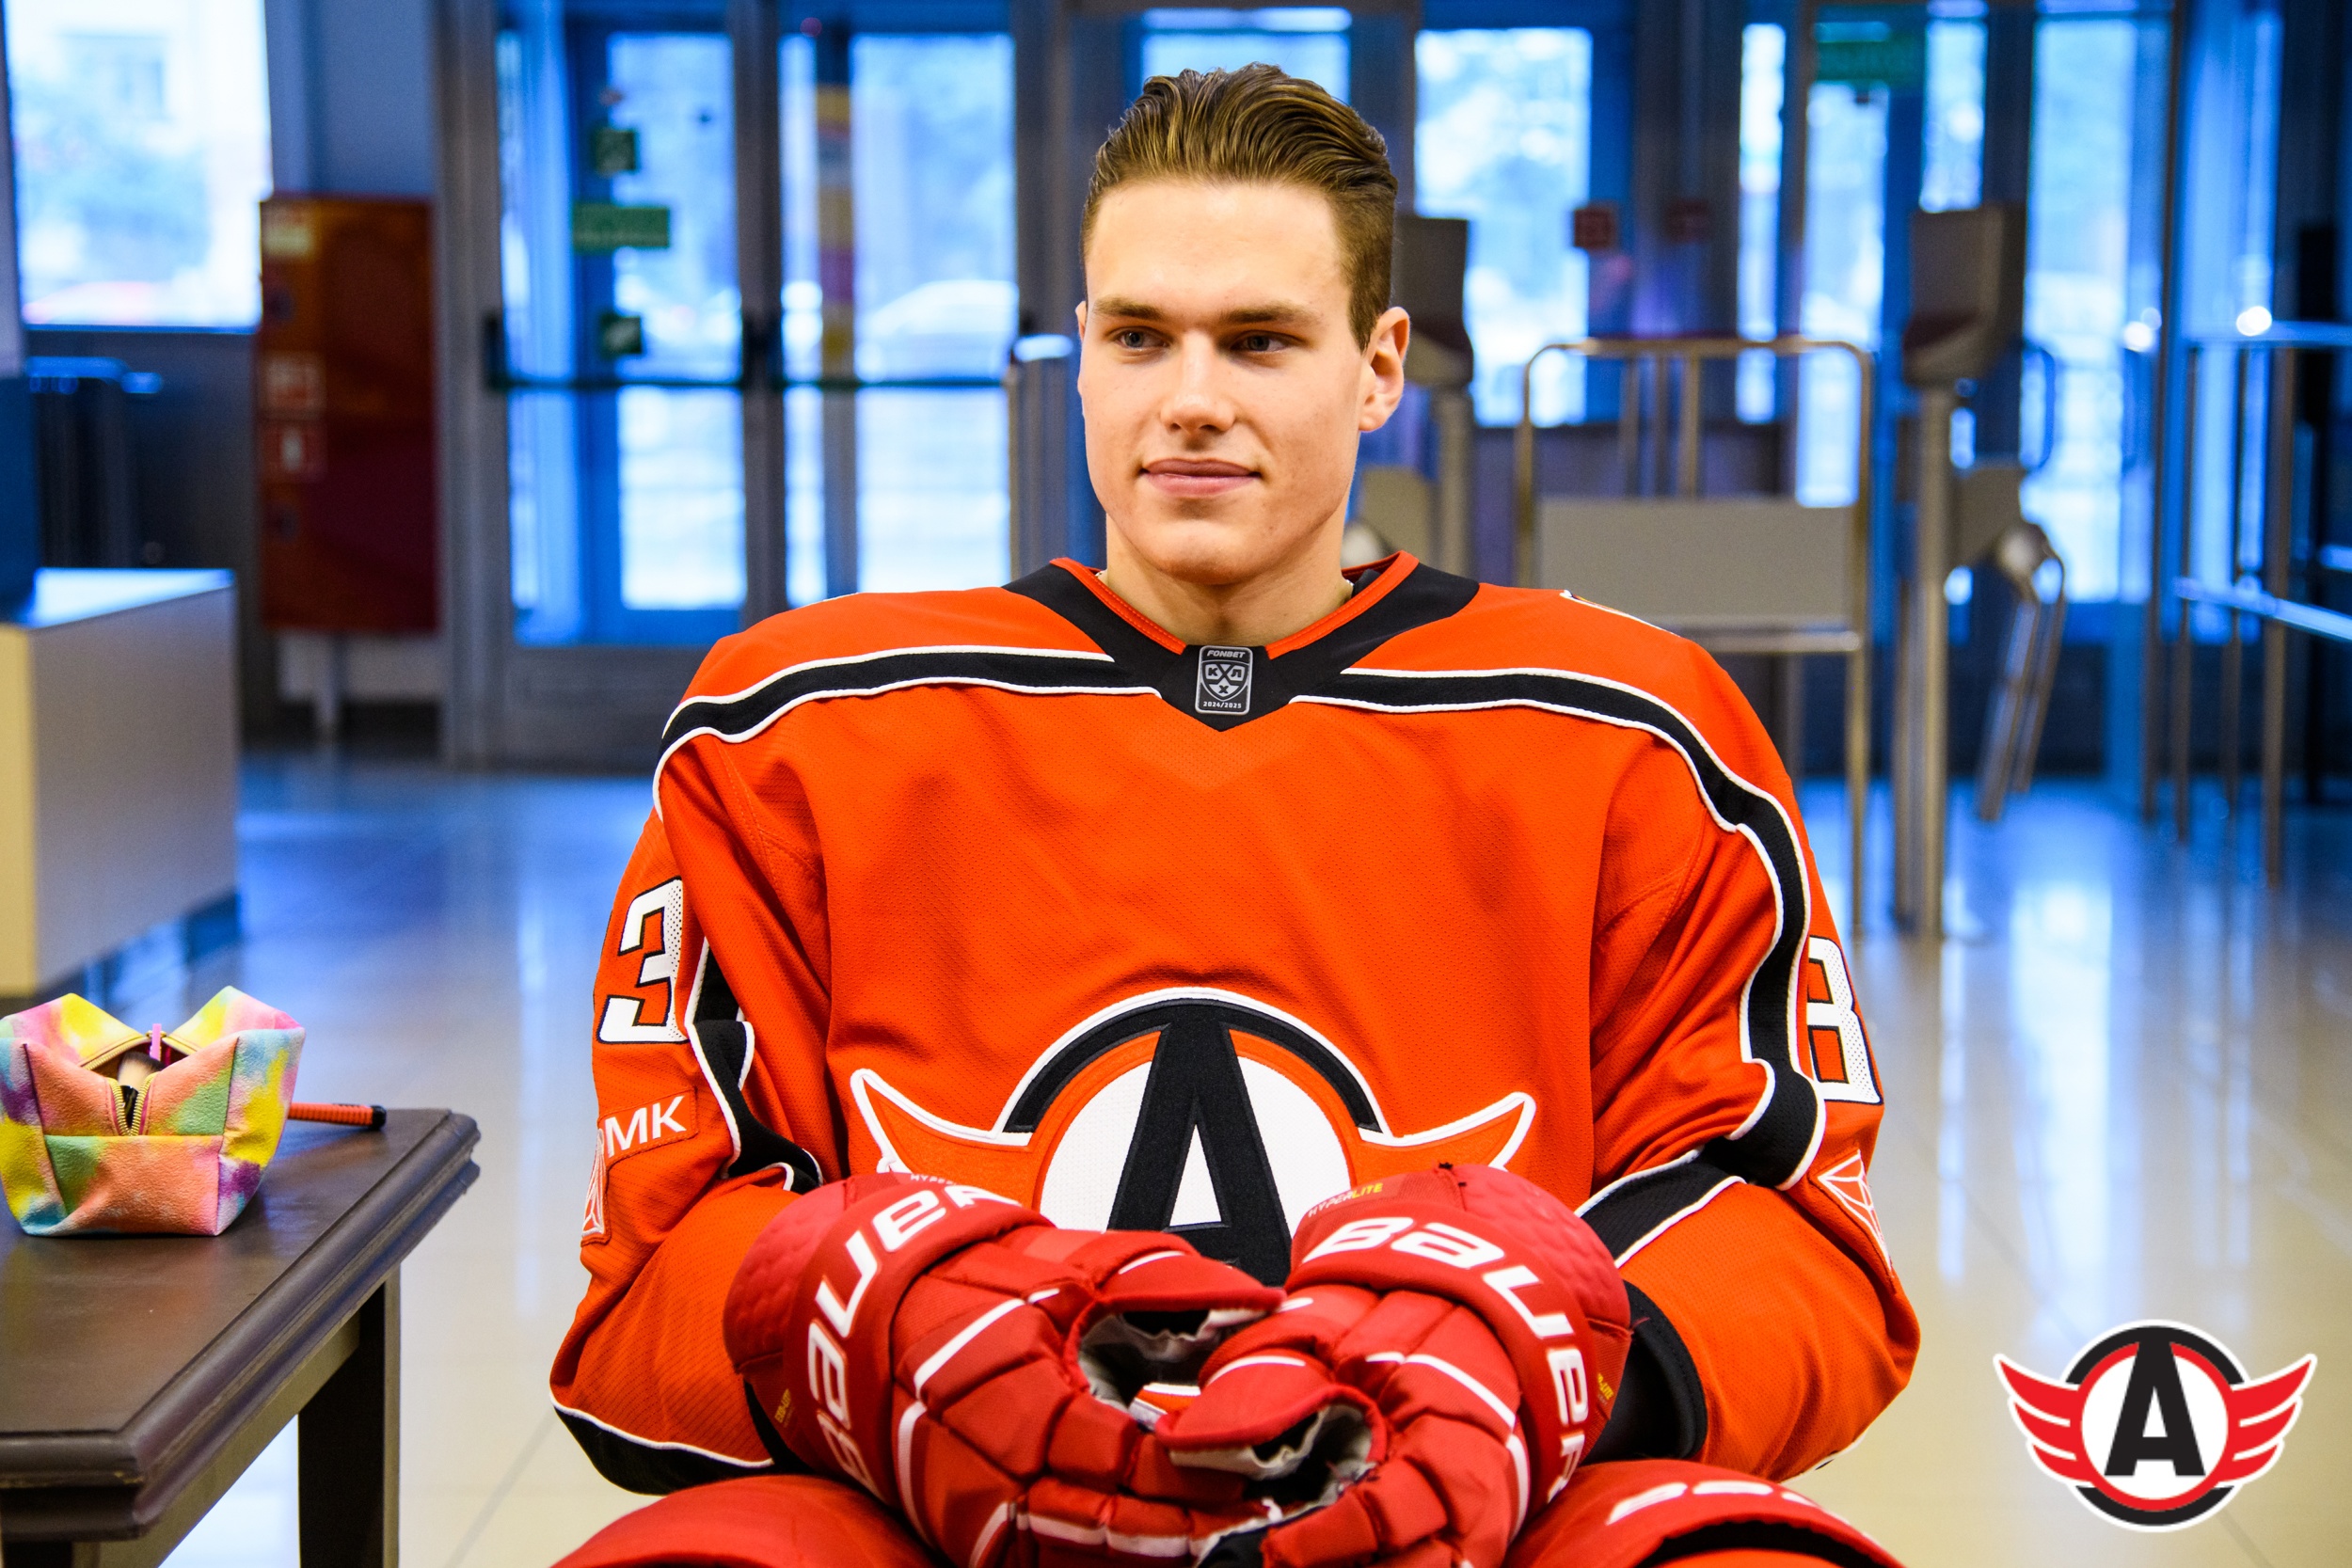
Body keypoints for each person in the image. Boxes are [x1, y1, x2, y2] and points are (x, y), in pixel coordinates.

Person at [548, 65, 1917, 1568]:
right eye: (1140, 337)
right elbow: (652, 1280)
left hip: (1480, 1524)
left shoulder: (1630, 729)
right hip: (938, 1527)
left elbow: (1794, 1217)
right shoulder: (793, 726)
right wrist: (872, 1321)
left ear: (1379, 368)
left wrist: (1555, 1363)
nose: (1191, 398)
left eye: (1260, 340)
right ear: (1083, 357)